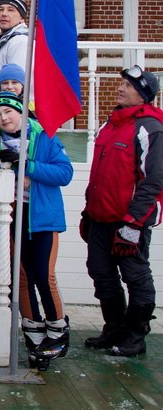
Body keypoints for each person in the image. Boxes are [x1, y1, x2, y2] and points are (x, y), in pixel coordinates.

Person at [0, 91, 73, 368]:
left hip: (41, 216)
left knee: (44, 274)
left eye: (8, 111)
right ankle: (34, 335)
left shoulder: (44, 135)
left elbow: (64, 173)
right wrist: (2, 166)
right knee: (21, 277)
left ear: (20, 112)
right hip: (11, 214)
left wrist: (27, 166)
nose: (4, 118)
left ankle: (57, 330)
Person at [82, 66, 163, 357]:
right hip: (100, 218)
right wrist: (87, 212)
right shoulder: (111, 123)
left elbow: (153, 180)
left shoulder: (150, 128)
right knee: (101, 273)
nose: (120, 88)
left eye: (128, 85)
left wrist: (134, 222)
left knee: (135, 276)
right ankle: (114, 328)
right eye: (122, 83)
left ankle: (135, 336)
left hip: (128, 222)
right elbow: (100, 174)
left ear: (142, 94)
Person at [0, 0, 29, 79]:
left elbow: (16, 81)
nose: (4, 14)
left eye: (10, 10)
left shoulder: (20, 42)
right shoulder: (4, 41)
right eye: (1, 9)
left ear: (22, 18)